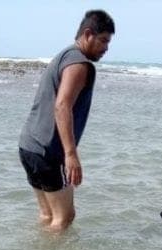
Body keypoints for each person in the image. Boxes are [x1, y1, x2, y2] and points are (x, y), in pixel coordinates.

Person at [18, 9, 115, 231]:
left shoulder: (64, 55)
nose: (106, 48)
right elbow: (62, 106)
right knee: (64, 219)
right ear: (88, 34)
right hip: (48, 152)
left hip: (28, 146)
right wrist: (71, 155)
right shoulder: (80, 64)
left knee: (47, 214)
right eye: (103, 41)